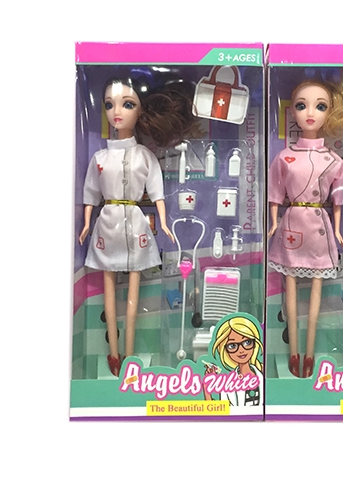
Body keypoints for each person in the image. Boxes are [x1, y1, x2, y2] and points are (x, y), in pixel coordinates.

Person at [79, 75, 197, 377]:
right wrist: (86, 223)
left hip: (134, 222)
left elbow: (157, 193)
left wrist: (165, 223)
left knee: (133, 297)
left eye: (127, 104)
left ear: (141, 110)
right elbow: (91, 193)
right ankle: (113, 353)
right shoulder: (100, 157)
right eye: (109, 105)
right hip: (107, 224)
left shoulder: (145, 156)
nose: (117, 112)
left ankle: (129, 355)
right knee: (109, 291)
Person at [267, 76, 343, 378]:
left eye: (320, 106)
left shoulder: (334, 160)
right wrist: (273, 221)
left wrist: (338, 230)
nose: (310, 113)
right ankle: (294, 352)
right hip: (292, 223)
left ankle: (310, 353)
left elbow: (338, 199)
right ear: (292, 111)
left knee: (316, 289)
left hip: (318, 225)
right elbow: (275, 192)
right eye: (302, 106)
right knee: (290, 288)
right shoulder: (285, 156)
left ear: (330, 112)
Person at [203, 315, 264, 407]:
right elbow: (220, 410)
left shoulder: (261, 373)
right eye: (232, 346)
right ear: (225, 350)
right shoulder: (229, 383)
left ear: (255, 343)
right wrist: (207, 386)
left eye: (247, 342)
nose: (241, 350)